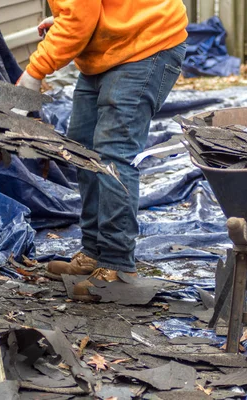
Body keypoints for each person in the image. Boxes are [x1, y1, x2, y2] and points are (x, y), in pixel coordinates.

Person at [17, 1, 188, 302]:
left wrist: (34, 73)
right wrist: (67, 18)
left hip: (145, 45)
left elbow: (80, 18)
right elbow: (85, 10)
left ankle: (118, 264)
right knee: (83, 148)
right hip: (111, 45)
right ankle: (95, 252)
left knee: (113, 153)